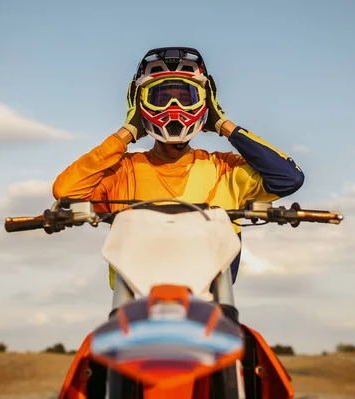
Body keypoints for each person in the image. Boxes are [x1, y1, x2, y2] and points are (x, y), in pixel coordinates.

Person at [53, 47, 305, 290]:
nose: (174, 106)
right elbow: (66, 191)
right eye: (161, 97)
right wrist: (127, 132)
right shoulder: (121, 170)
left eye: (186, 97)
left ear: (206, 103)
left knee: (247, 337)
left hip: (211, 303)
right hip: (133, 305)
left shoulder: (223, 168)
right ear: (140, 104)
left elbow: (288, 178)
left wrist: (223, 124)